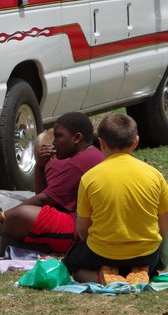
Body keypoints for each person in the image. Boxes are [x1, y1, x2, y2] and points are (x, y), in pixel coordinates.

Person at [63, 113, 168, 285]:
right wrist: (162, 259)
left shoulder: (89, 178)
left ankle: (102, 277)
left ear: (101, 143)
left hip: (101, 253)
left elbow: (82, 228)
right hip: (146, 254)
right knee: (144, 260)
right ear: (136, 141)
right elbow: (165, 226)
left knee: (71, 264)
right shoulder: (155, 176)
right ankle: (140, 272)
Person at [0, 112, 103, 255]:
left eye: (59, 136)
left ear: (77, 138)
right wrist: (40, 166)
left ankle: (5, 241)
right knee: (22, 214)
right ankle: (22, 244)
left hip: (79, 231)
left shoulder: (79, 162)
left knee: (18, 215)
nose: (54, 143)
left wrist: (5, 215)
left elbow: (43, 199)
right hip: (81, 224)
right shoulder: (87, 154)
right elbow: (45, 197)